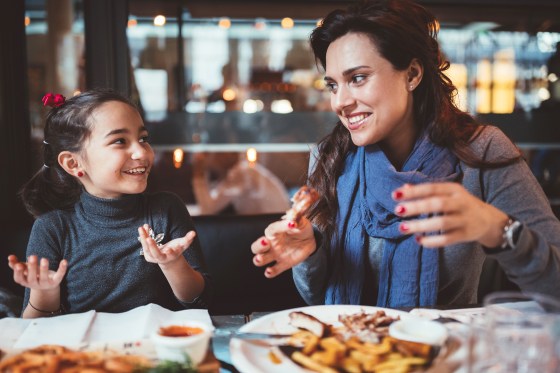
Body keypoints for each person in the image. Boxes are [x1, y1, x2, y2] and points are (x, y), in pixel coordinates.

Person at [251, 0, 560, 308]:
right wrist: (310, 252)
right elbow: (319, 299)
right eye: (333, 85)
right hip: (346, 349)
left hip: (446, 350)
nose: (339, 102)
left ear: (412, 74)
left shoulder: (481, 150)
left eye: (357, 78)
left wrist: (497, 229)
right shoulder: (330, 155)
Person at [7, 89, 211, 318]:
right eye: (120, 141)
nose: (141, 152)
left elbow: (196, 300)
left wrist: (173, 264)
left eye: (143, 139)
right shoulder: (53, 228)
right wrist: (44, 292)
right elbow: (35, 327)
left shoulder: (166, 209)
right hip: (85, 351)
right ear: (73, 163)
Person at [192, 152, 291, 215]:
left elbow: (208, 209)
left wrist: (199, 172)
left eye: (208, 155)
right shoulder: (243, 171)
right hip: (270, 225)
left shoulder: (242, 173)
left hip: (272, 229)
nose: (208, 160)